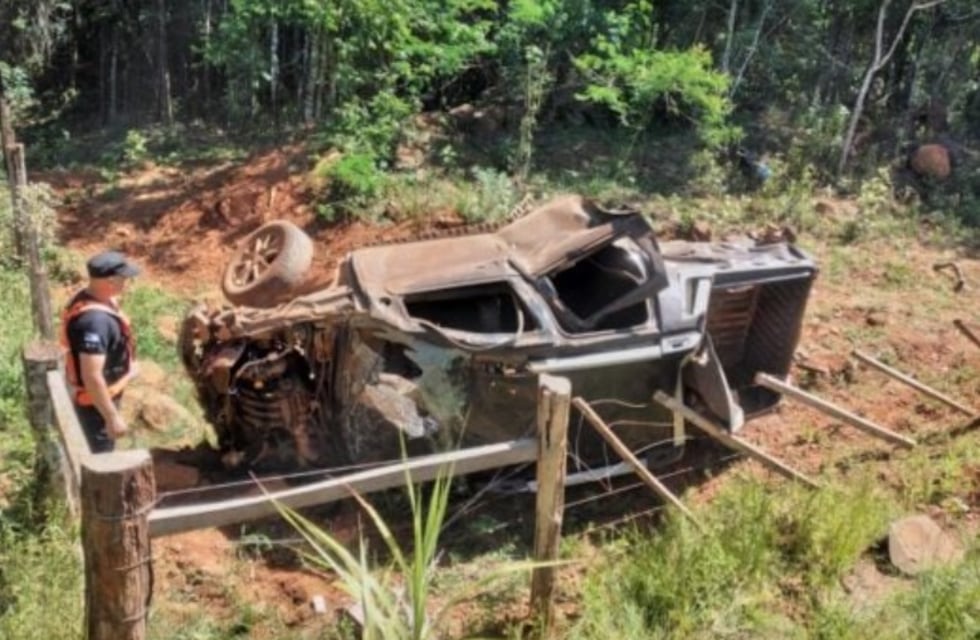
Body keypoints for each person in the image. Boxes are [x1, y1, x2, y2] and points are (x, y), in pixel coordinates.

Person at [59, 251, 139, 453]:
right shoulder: (95, 322)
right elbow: (92, 376)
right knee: (100, 457)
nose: (126, 283)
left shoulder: (90, 297)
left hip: (99, 397)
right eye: (123, 279)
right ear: (110, 282)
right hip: (94, 407)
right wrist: (111, 418)